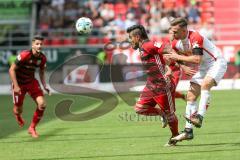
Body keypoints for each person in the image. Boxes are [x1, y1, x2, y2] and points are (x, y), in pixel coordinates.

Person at [165, 17, 227, 142]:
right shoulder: (176, 42)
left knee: (205, 85)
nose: (173, 34)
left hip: (216, 63)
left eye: (175, 31)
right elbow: (172, 56)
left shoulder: (195, 37)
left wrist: (176, 56)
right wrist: (182, 66)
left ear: (184, 30)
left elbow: (197, 59)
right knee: (190, 97)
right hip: (203, 67)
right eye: (172, 31)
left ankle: (199, 116)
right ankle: (188, 131)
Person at [126, 24, 179, 146]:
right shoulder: (142, 48)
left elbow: (165, 48)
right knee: (139, 108)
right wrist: (168, 66)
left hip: (162, 85)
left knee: (170, 114)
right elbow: (160, 57)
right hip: (151, 84)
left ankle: (175, 137)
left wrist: (177, 62)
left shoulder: (148, 45)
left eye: (130, 37)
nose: (130, 41)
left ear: (137, 37)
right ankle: (161, 114)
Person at [9, 35, 50, 138]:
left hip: (31, 82)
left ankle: (32, 128)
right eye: (37, 44)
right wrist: (16, 86)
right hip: (19, 83)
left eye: (41, 44)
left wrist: (44, 85)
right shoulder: (24, 55)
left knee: (42, 104)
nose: (39, 46)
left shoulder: (42, 58)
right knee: (18, 109)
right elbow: (11, 69)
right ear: (32, 45)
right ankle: (18, 115)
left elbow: (41, 72)